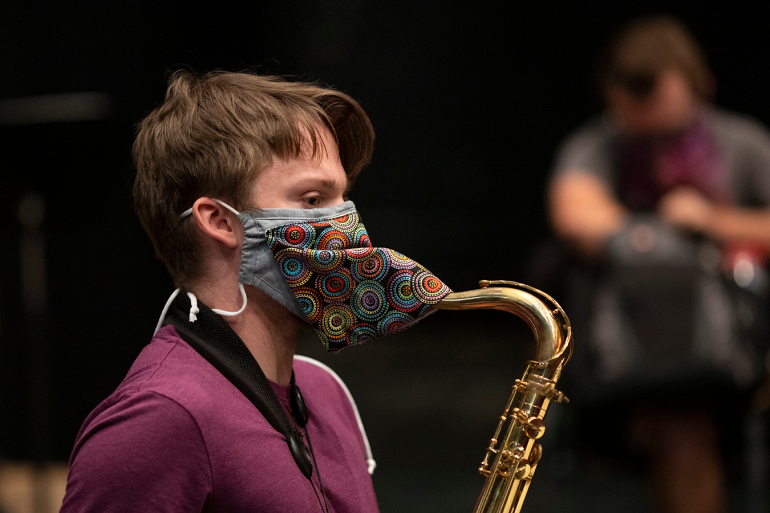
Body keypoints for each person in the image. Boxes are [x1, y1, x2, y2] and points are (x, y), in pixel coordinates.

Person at [59, 70, 450, 512]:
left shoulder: (326, 392)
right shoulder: (160, 417)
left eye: (344, 197)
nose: (348, 226)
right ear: (220, 220)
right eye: (313, 200)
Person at [547, 16, 770, 513]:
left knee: (683, 423)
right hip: (629, 343)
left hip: (730, 340)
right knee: (673, 420)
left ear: (701, 88)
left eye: (666, 125)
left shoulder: (742, 143)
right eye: (635, 123)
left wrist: (713, 220)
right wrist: (657, 236)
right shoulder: (598, 144)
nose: (655, 144)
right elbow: (574, 214)